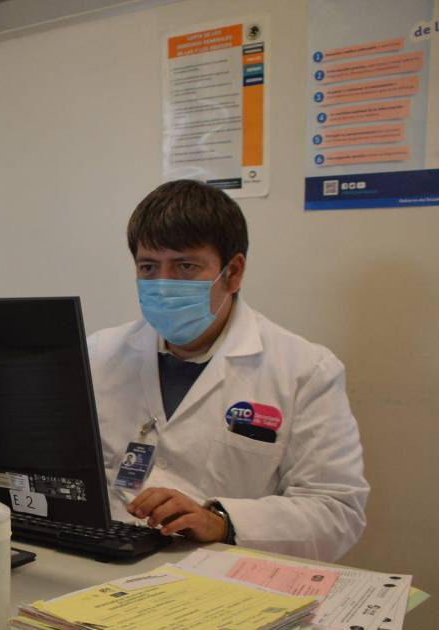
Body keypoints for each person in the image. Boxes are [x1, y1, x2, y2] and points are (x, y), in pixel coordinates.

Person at [88, 179, 369, 562]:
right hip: (110, 564)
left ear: (233, 272)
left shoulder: (305, 370)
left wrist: (222, 521)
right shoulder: (98, 354)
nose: (164, 285)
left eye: (185, 266)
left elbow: (337, 512)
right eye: (149, 267)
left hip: (228, 573)